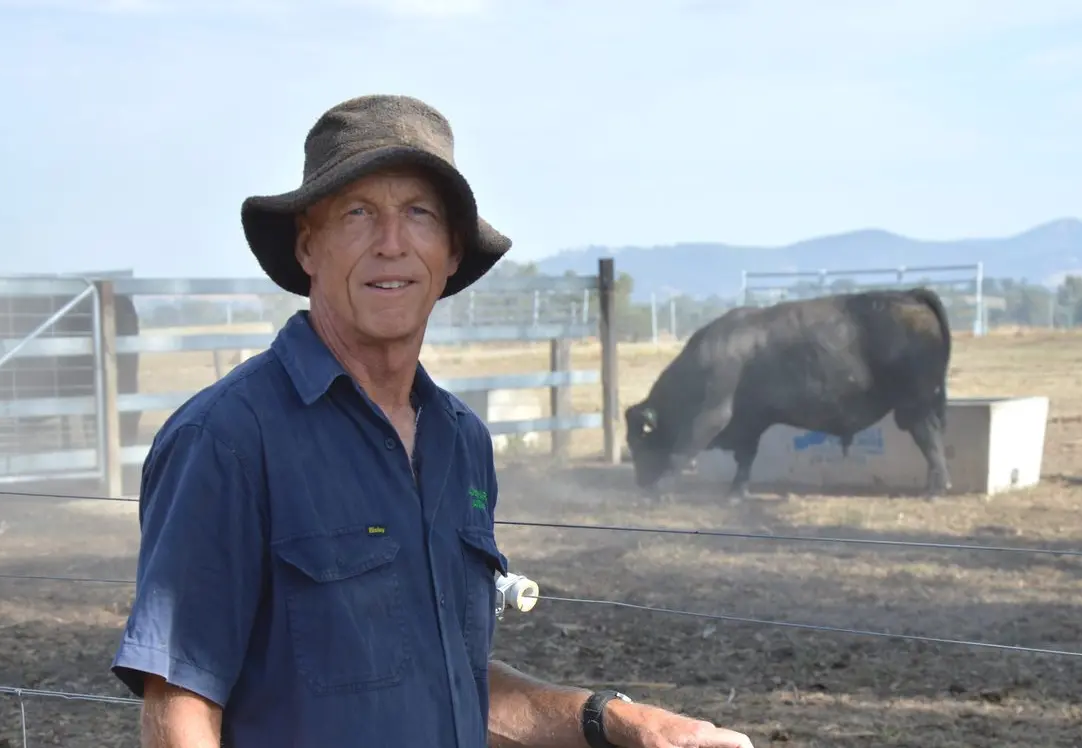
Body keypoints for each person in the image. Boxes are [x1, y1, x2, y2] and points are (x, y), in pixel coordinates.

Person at [109, 94, 754, 748]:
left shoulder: (462, 442)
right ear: (310, 244)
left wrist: (621, 722)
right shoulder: (226, 440)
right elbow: (180, 711)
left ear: (450, 253)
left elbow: (450, 683)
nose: (392, 244)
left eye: (418, 214)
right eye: (359, 213)